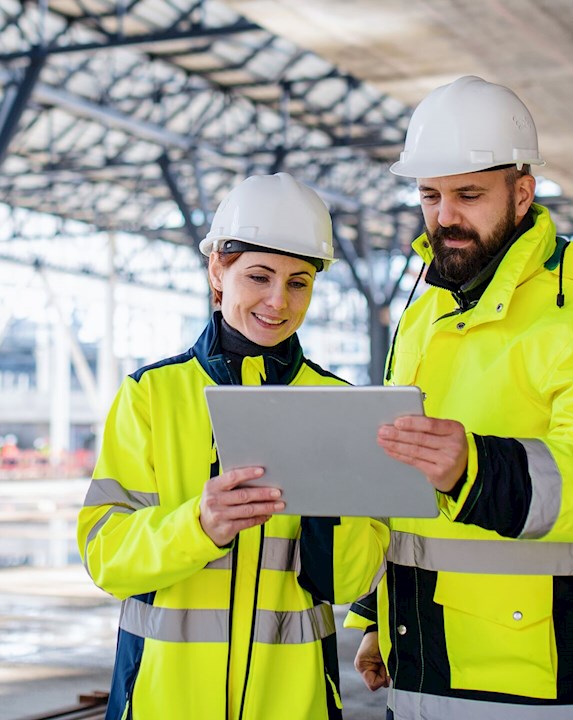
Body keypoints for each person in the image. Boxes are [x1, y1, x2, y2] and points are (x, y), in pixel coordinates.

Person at [346, 76, 573, 719]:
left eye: (468, 194)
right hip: (418, 653)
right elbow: (406, 491)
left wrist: (475, 466)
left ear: (522, 194)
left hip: (538, 671)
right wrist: (375, 614)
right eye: (430, 196)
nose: (445, 217)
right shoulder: (426, 309)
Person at [79, 173, 389, 720]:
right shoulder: (152, 395)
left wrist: (327, 506)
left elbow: (348, 581)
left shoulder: (339, 404)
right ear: (217, 271)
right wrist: (195, 527)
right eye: (259, 276)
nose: (278, 301)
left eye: (298, 282)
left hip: (295, 705)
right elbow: (107, 557)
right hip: (161, 703)